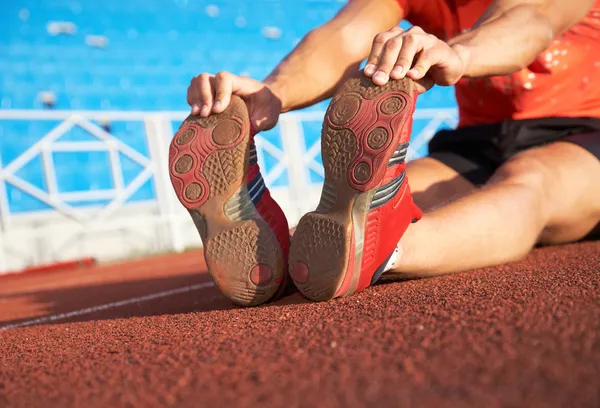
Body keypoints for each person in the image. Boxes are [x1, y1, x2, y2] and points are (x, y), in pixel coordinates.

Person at [171, 0, 600, 305]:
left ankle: (387, 251)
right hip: (477, 139)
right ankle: (292, 262)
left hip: (583, 132)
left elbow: (532, 19)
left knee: (531, 180)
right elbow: (341, 39)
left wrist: (460, 52)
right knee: (385, 196)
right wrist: (273, 91)